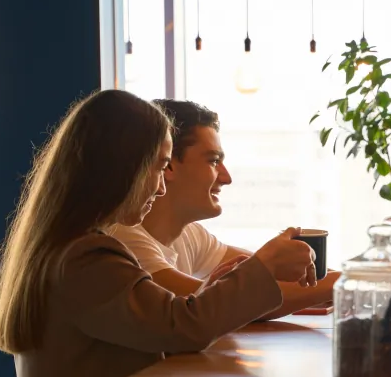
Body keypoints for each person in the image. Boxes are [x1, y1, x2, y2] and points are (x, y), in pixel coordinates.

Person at [0, 90, 318, 377]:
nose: (161, 187)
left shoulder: (62, 245)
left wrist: (219, 287)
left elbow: (162, 324)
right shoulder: (86, 257)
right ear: (121, 167)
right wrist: (264, 267)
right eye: (159, 167)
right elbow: (184, 326)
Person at [108, 100, 339, 319]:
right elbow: (219, 307)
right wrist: (346, 284)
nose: (227, 178)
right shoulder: (123, 240)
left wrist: (334, 280)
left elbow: (266, 278)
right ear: (167, 164)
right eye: (213, 161)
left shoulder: (190, 235)